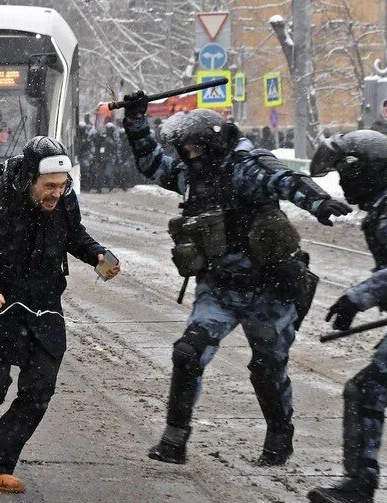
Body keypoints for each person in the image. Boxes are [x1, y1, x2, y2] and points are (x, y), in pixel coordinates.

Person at [121, 92, 352, 466]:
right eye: (182, 149)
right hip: (219, 289)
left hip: (268, 289)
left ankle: (279, 436)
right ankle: (174, 440)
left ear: (212, 144)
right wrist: (135, 121)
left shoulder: (245, 168)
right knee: (188, 353)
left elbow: (285, 180)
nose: (185, 156)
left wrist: (319, 202)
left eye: (192, 148)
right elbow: (151, 163)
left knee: (267, 367)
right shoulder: (191, 174)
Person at [0, 137, 121, 493]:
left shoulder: (63, 201)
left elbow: (73, 236)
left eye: (62, 187)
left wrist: (97, 254)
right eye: (49, 186)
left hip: (45, 307)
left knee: (39, 390)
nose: (55, 194)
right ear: (29, 178)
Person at [306, 131, 387, 503]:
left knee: (366, 391)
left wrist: (358, 297)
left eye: (345, 174)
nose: (343, 184)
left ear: (363, 171)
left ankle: (358, 489)